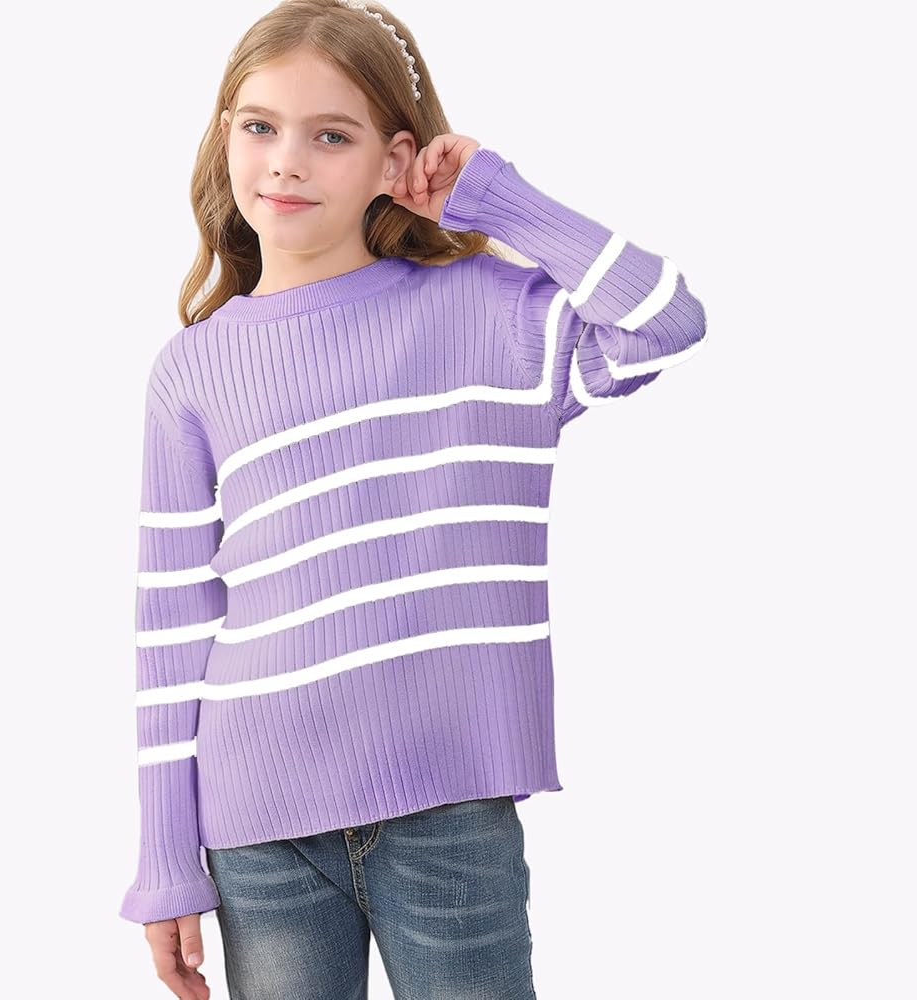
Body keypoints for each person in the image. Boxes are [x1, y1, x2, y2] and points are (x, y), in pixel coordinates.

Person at [118, 0, 708, 997]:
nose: (286, 162)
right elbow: (172, 625)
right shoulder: (190, 369)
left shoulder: (490, 315)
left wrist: (496, 198)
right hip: (259, 831)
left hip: (449, 811)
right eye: (260, 126)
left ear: (395, 158)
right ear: (225, 136)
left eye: (331, 136)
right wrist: (164, 861)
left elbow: (665, 319)